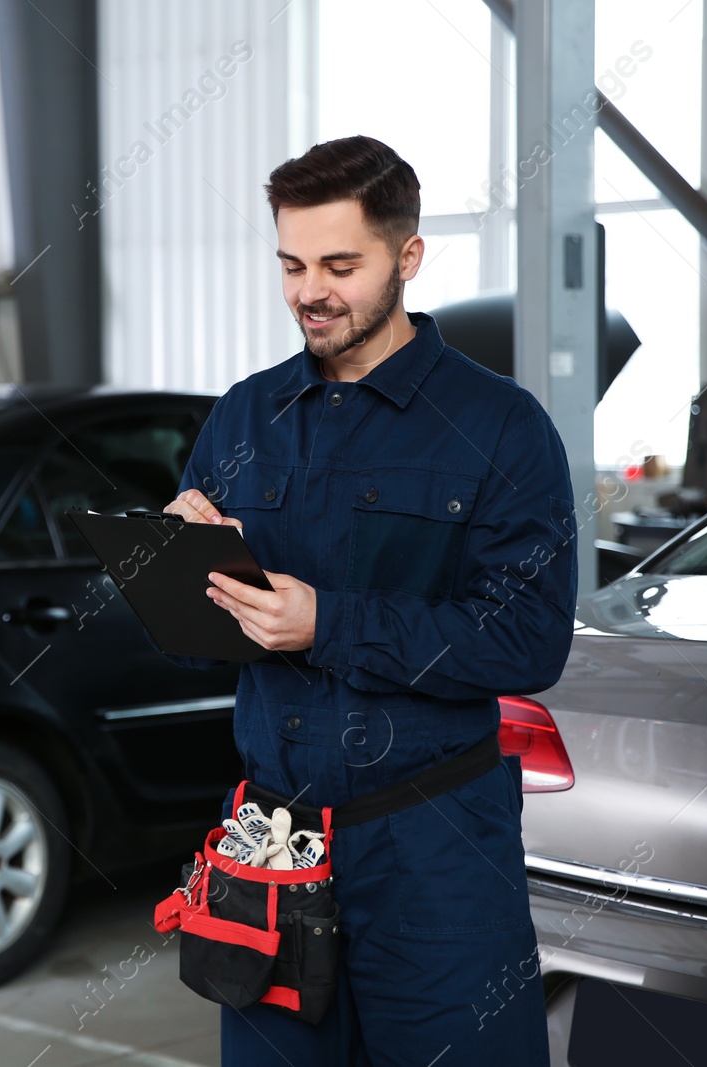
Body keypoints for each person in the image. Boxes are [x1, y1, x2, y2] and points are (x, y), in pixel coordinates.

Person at [158, 134, 578, 1066]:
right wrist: (180, 567)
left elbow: (529, 641)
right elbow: (192, 649)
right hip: (269, 845)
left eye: (341, 265)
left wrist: (329, 623)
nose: (312, 290)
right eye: (293, 264)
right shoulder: (242, 416)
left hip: (436, 852)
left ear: (407, 258)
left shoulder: (501, 428)